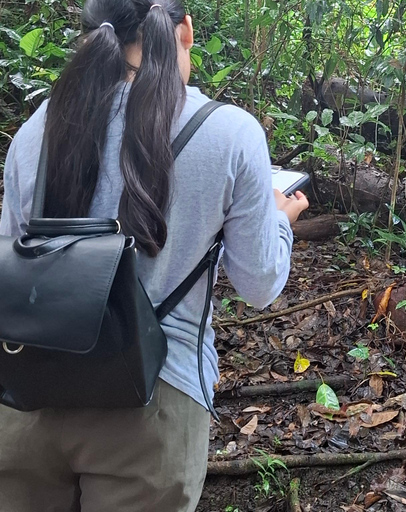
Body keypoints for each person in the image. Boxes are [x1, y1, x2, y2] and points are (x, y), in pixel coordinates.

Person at [0, 0, 308, 510]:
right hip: (153, 403)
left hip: (27, 397)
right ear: (184, 30)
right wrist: (279, 218)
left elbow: (15, 261)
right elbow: (259, 284)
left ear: (90, 36)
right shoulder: (230, 132)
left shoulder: (37, 130)